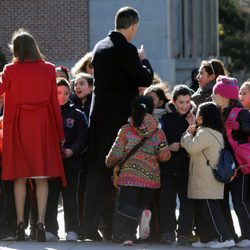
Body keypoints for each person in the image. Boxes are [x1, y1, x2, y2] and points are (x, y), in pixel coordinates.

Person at [82, 6, 154, 240]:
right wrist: (144, 60)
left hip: (98, 120)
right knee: (121, 175)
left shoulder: (99, 46)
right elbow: (144, 78)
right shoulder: (127, 49)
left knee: (97, 174)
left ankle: (89, 227)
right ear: (133, 25)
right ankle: (117, 228)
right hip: (119, 123)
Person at [0, 28, 66, 242]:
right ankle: (40, 224)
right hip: (42, 127)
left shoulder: (9, 70)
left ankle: (20, 225)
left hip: (18, 126)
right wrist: (59, 132)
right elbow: (55, 105)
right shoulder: (49, 69)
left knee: (19, 176)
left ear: (16, 49)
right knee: (41, 177)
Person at [106, 95, 171, 246]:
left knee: (125, 206)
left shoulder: (126, 129)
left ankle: (127, 235)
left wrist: (109, 163)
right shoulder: (158, 132)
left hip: (129, 175)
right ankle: (137, 223)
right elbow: (164, 155)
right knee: (139, 205)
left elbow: (115, 154)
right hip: (151, 177)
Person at [181, 102, 235, 249]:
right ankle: (207, 239)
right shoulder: (214, 132)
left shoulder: (205, 133)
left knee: (211, 211)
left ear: (204, 117)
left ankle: (225, 238)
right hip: (208, 179)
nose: (196, 116)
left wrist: (187, 134)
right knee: (205, 211)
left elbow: (191, 147)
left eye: (198, 113)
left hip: (205, 180)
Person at [45, 78, 88, 242]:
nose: (61, 97)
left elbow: (83, 137)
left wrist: (72, 150)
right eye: (57, 93)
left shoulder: (77, 114)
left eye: (65, 93)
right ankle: (51, 229)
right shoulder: (47, 113)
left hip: (71, 163)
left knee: (70, 196)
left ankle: (71, 229)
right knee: (51, 196)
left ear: (70, 94)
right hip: (52, 163)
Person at [212, 76, 250, 248]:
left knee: (240, 201)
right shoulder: (218, 112)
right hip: (227, 166)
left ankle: (248, 235)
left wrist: (239, 128)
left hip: (241, 165)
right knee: (226, 201)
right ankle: (231, 235)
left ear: (224, 96)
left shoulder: (241, 112)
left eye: (215, 94)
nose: (213, 97)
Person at [159, 85, 195, 245]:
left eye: (187, 102)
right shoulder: (165, 119)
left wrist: (193, 126)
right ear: (174, 102)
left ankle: (184, 233)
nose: (185, 106)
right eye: (181, 102)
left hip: (187, 168)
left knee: (187, 202)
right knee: (167, 201)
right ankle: (168, 231)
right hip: (168, 168)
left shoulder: (194, 118)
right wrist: (168, 147)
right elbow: (157, 141)